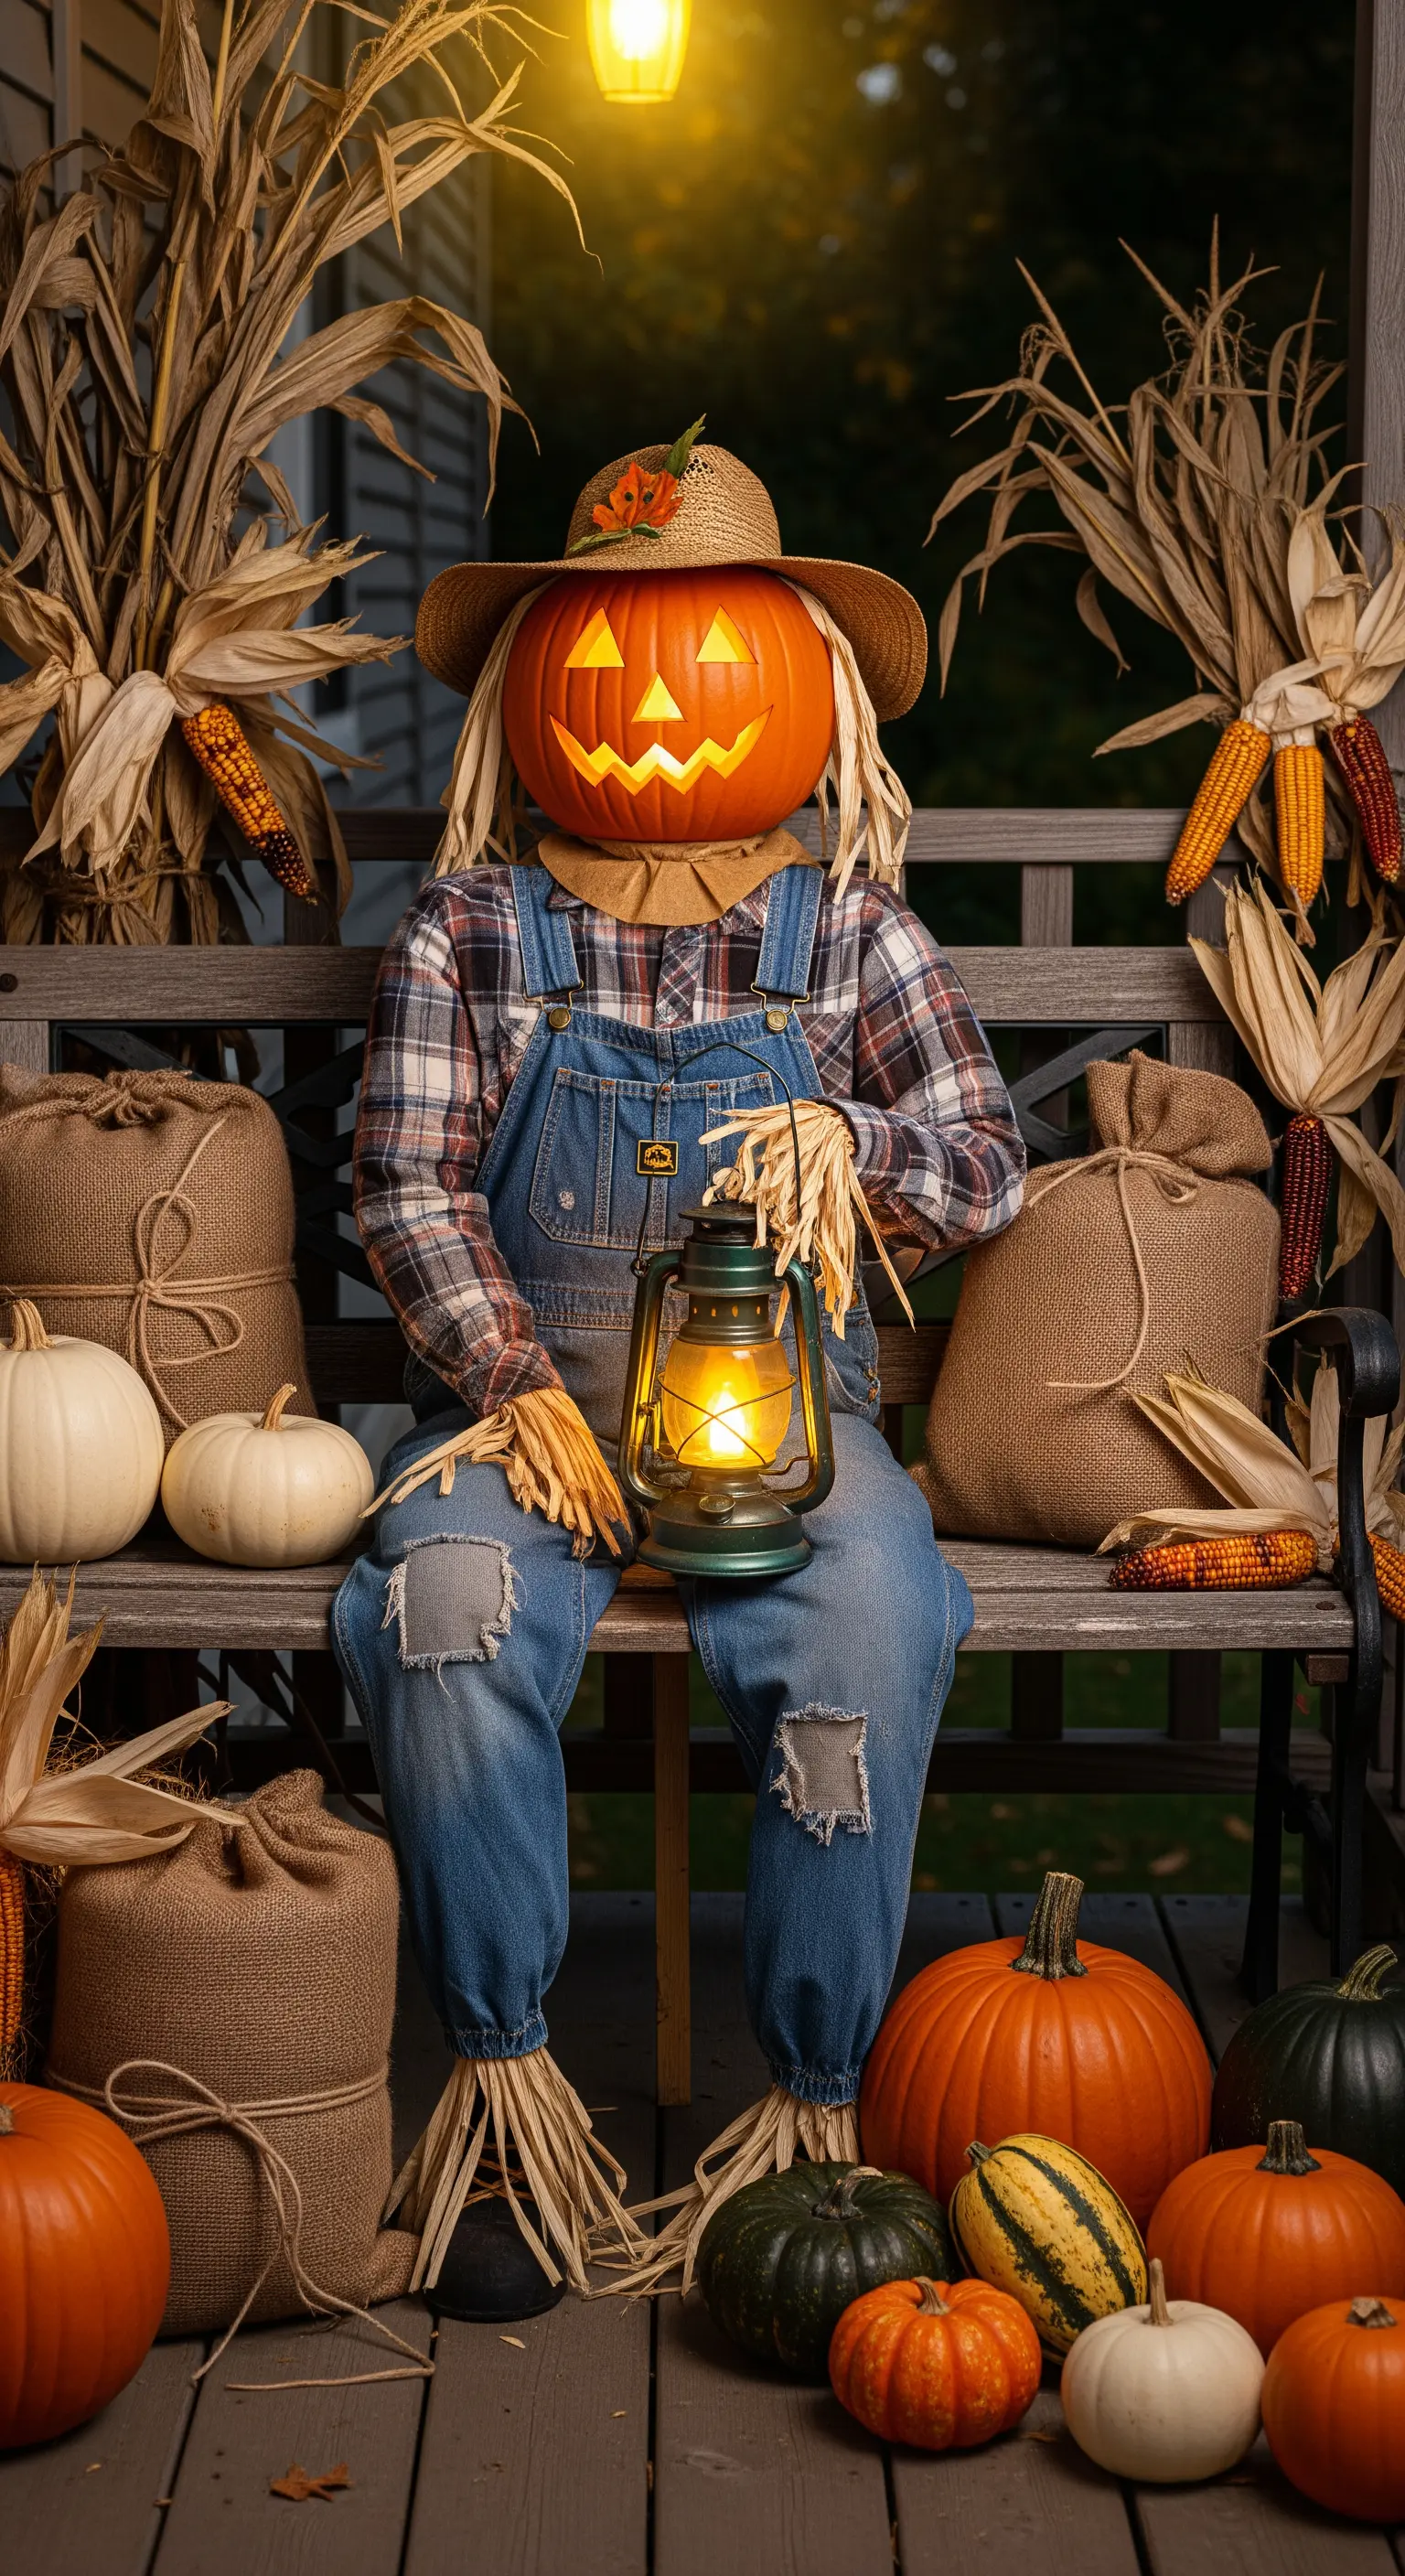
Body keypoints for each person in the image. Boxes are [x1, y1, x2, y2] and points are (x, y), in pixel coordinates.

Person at [332, 429, 1025, 2320]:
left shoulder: (851, 930)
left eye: (704, 653)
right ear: (535, 684)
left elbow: (979, 1163)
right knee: (447, 1604)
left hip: (788, 1435)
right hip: (531, 1422)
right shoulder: (476, 926)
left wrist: (841, 1155)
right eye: (604, 656)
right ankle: (500, 2110)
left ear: (793, 678)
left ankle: (807, 2122)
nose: (653, 704)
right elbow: (402, 1179)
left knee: (874, 1625)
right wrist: (504, 1380)